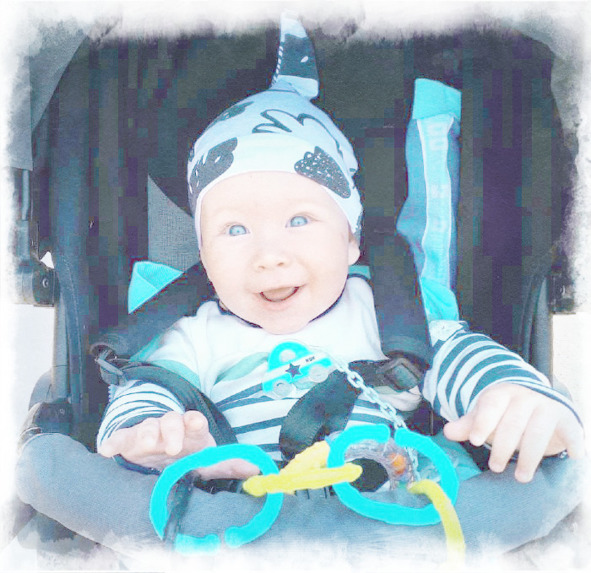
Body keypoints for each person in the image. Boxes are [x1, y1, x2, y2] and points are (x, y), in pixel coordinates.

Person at [97, 14, 583, 487]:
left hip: (385, 506)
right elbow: (144, 393)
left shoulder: (384, 314)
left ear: (351, 241)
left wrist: (510, 395)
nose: (269, 255)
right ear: (204, 257)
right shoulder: (196, 334)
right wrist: (154, 437)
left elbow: (462, 358)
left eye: (299, 221)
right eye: (235, 230)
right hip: (242, 510)